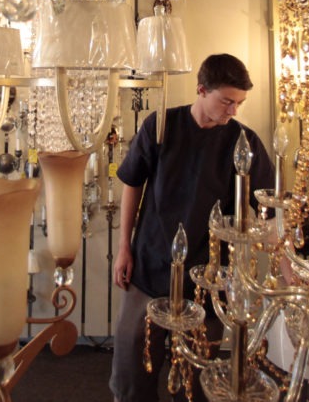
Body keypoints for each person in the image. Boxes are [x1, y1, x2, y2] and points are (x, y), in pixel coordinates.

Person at [110, 53, 275, 402]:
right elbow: (131, 183)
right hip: (148, 264)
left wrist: (286, 267)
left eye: (239, 103)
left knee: (196, 380)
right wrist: (124, 246)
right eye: (226, 101)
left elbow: (270, 210)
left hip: (208, 278)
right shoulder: (161, 125)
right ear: (201, 90)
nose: (233, 111)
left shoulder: (244, 142)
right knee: (131, 369)